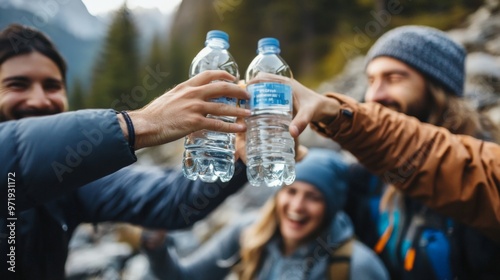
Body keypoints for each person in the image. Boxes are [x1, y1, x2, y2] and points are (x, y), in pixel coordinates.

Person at [0, 24, 252, 279]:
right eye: (17, 85)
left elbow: (174, 200)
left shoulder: (70, 174)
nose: (39, 100)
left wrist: (238, 157)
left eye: (52, 86)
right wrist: (139, 124)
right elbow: (11, 156)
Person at [286, 25, 500, 279]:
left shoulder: (483, 168)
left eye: (394, 78)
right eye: (371, 80)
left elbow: (439, 161)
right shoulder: (374, 170)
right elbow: (333, 176)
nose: (374, 96)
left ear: (436, 87)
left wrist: (334, 113)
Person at [142, 148, 389, 280]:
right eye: (291, 191)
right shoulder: (249, 232)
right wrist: (157, 247)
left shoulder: (356, 266)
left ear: (333, 205)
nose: (297, 206)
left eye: (314, 197)